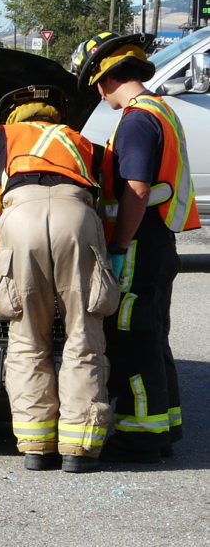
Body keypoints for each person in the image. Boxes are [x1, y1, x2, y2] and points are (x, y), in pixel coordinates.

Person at [0, 85, 120, 473]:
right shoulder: (80, 141)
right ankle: (78, 449)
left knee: (27, 337)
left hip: (20, 221)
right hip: (77, 217)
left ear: (13, 116)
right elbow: (109, 197)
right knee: (83, 334)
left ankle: (36, 446)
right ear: (56, 116)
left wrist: (7, 251)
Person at [72, 32, 201, 463]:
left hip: (141, 243)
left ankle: (141, 436)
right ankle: (164, 426)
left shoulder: (136, 120)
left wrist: (118, 247)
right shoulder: (161, 111)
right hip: (157, 242)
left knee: (131, 340)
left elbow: (137, 189)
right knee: (152, 336)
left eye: (94, 81)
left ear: (105, 78)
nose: (96, 91)